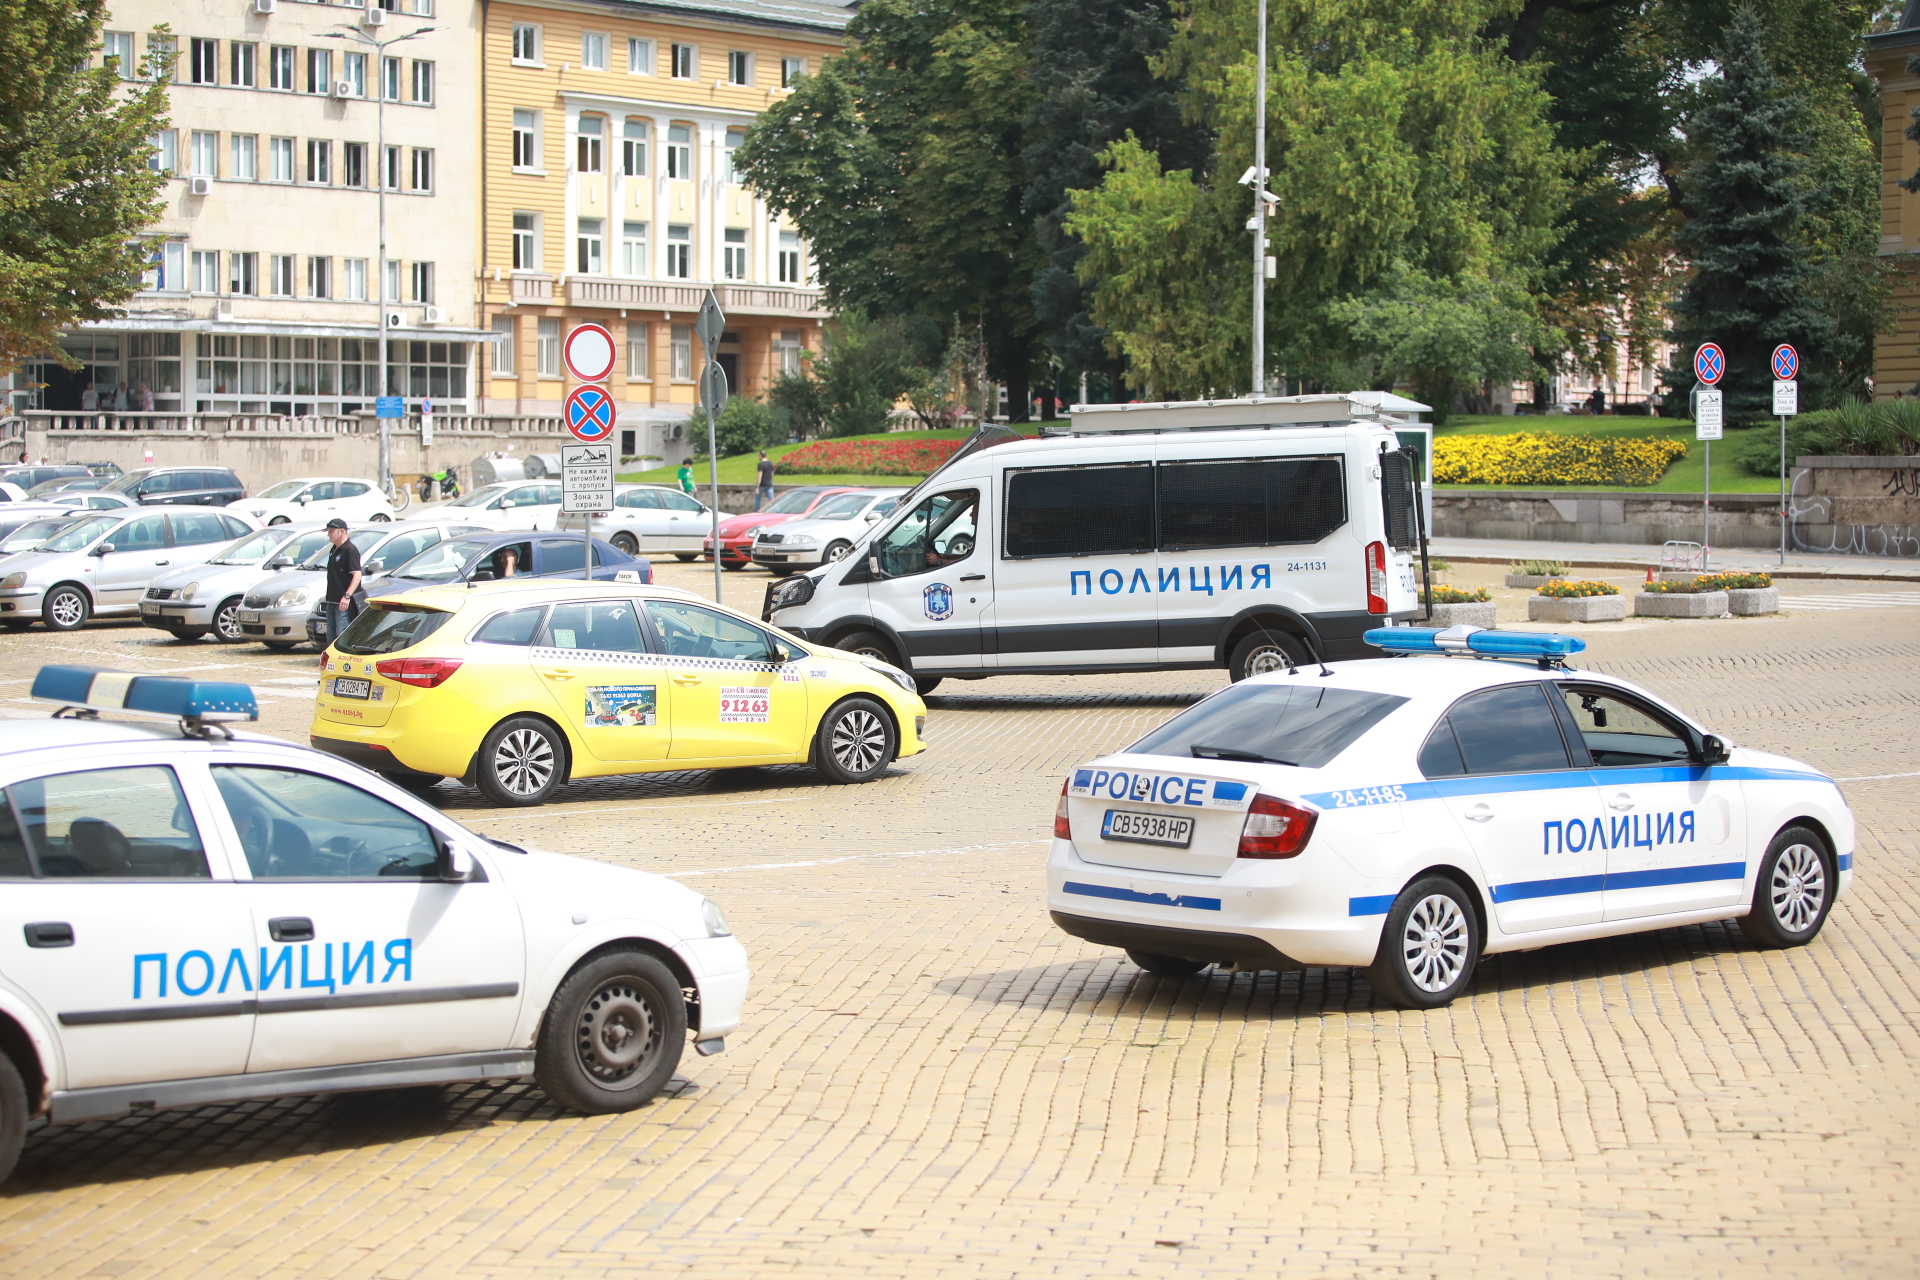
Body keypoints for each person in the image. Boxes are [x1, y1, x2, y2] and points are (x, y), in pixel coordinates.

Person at [323, 518, 363, 644]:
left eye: (331, 531)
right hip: (332, 599)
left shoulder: (349, 549)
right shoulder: (334, 550)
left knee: (342, 634)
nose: (329, 534)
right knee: (331, 634)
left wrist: (347, 596)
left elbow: (357, 575)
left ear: (341, 531)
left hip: (343, 601)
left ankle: (341, 660)